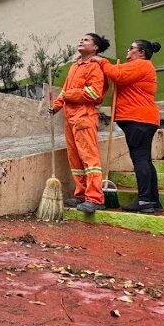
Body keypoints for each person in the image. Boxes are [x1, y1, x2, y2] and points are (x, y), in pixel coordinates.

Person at [97, 40, 163, 213]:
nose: (128, 50)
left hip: (138, 119)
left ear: (141, 52)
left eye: (131, 48)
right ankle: (153, 200)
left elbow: (118, 75)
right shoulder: (140, 66)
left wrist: (103, 62)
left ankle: (144, 201)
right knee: (145, 160)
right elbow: (120, 75)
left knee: (140, 159)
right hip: (143, 119)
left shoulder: (140, 64)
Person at [48, 33, 110, 214]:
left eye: (87, 40)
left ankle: (95, 198)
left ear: (95, 48)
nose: (81, 41)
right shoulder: (75, 66)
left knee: (89, 158)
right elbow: (65, 90)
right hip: (70, 118)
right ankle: (81, 194)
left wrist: (69, 95)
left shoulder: (96, 66)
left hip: (85, 116)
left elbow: (94, 94)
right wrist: (56, 106)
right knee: (75, 159)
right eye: (81, 39)